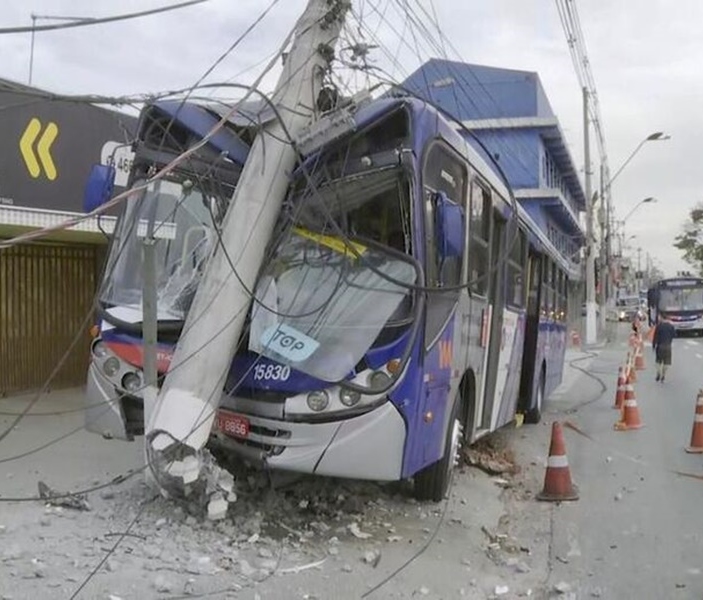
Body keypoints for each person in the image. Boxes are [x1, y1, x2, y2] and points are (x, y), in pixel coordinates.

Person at [652, 315, 676, 382]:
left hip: (660, 346)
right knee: (666, 362)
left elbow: (655, 337)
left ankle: (658, 373)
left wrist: (653, 345)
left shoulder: (659, 326)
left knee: (658, 361)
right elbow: (674, 335)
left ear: (662, 318)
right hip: (668, 346)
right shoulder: (671, 326)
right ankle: (663, 374)